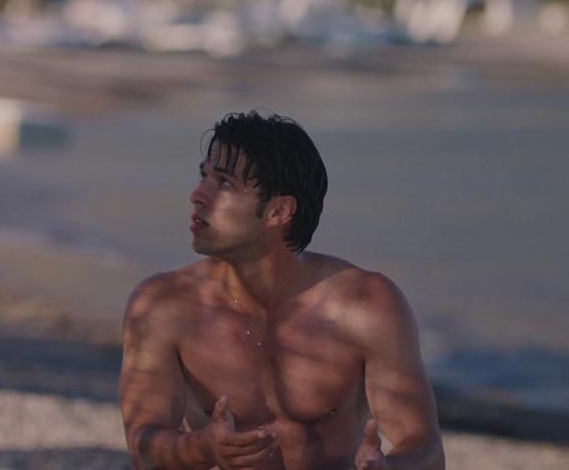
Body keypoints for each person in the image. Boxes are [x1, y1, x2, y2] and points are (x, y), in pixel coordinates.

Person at [119, 111, 444, 470]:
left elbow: (425, 447)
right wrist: (202, 449)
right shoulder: (163, 305)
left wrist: (391, 468)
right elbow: (142, 447)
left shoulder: (366, 306)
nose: (197, 195)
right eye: (203, 177)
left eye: (224, 183)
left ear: (279, 211)